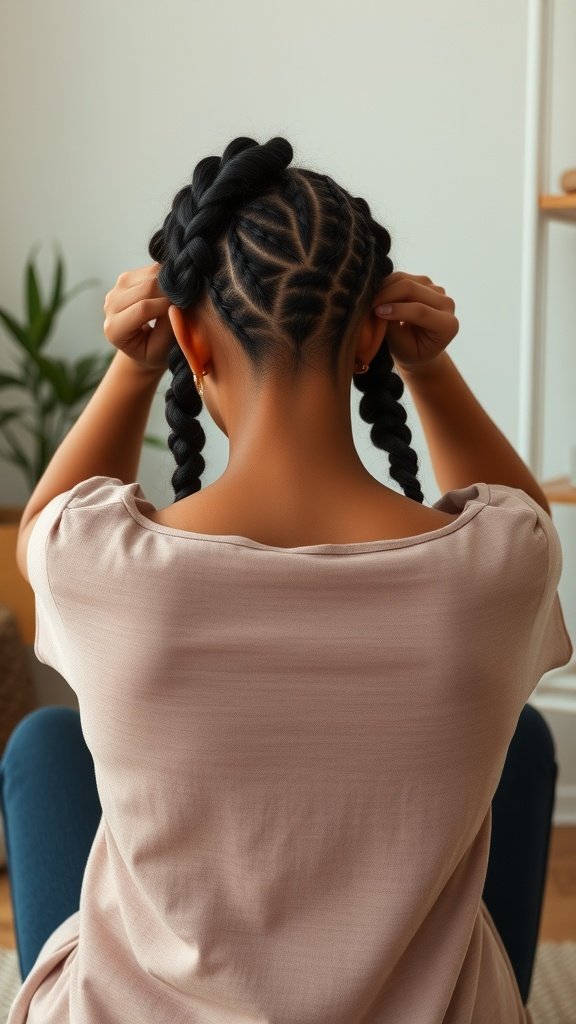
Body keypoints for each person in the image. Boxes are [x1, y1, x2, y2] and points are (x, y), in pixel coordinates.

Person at [0, 135, 572, 1024]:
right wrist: (430, 367)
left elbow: (43, 521)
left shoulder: (102, 566)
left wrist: (132, 365)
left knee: (43, 744)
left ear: (189, 337)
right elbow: (528, 522)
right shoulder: (495, 571)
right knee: (525, 743)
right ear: (372, 336)